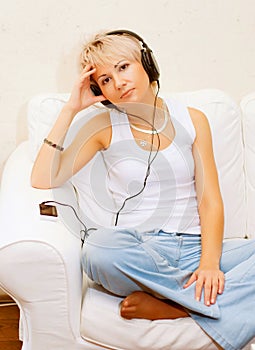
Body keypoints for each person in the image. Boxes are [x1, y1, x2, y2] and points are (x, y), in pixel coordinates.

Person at [31, 29, 255, 350]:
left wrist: (208, 264)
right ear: (100, 90)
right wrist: (71, 109)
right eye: (105, 79)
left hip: (193, 248)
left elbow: (209, 200)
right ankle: (210, 302)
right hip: (138, 250)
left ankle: (176, 308)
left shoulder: (193, 119)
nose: (118, 82)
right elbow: (42, 178)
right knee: (99, 250)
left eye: (123, 67)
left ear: (146, 63)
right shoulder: (103, 126)